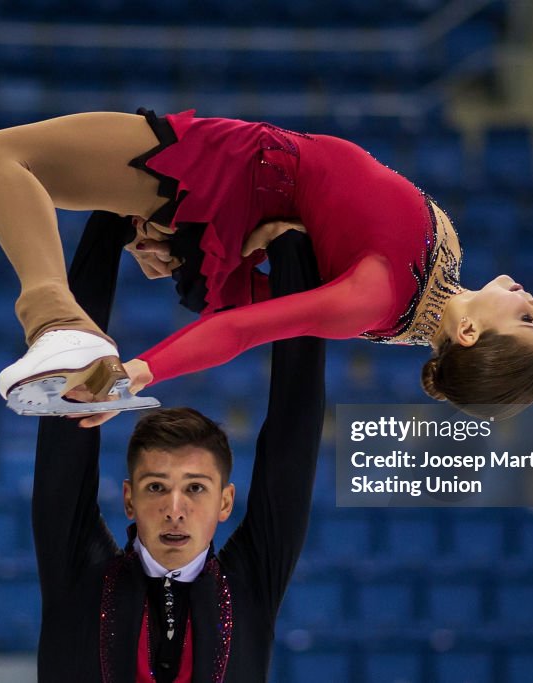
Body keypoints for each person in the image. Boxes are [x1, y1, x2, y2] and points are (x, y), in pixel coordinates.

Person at [0, 85, 533, 419]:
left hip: (227, 168)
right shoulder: (422, 280)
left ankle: (52, 317)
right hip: (237, 190)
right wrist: (201, 247)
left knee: (4, 157)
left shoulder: (382, 298)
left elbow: (245, 328)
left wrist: (131, 372)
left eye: (528, 320)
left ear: (467, 334)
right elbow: (300, 240)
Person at [31, 213, 326, 681]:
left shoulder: (250, 586)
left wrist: (293, 258)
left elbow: (296, 430)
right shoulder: (80, 578)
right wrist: (109, 226)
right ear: (128, 498)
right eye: (155, 487)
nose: (174, 509)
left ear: (225, 501)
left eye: (194, 488)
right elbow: (66, 429)